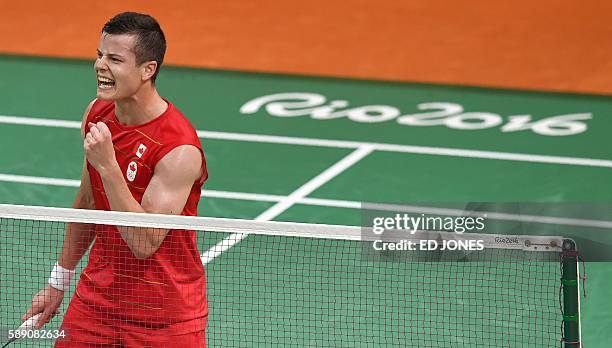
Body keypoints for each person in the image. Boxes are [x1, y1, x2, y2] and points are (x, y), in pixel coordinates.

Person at [22, 12, 208, 347]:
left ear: (147, 70)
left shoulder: (178, 148)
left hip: (164, 315)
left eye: (115, 59)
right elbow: (87, 203)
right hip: (97, 303)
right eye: (99, 55)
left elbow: (144, 243)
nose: (100, 66)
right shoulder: (97, 115)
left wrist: (109, 166)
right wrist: (57, 282)